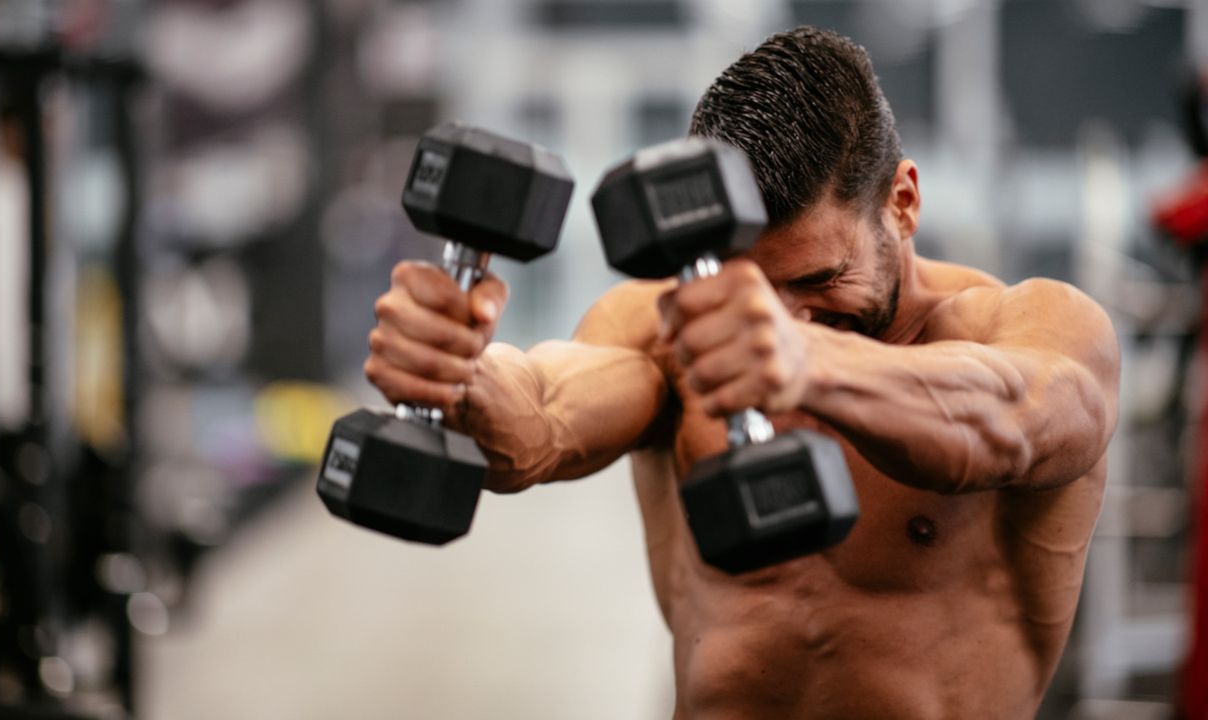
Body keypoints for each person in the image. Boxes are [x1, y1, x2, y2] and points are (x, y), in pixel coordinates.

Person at [364, 26, 1120, 720]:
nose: (782, 317)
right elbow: (542, 419)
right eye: (750, 286)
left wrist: (807, 364)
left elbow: (1015, 420)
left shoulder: (1026, 328)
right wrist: (458, 373)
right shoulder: (669, 326)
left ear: (903, 202)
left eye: (821, 279)